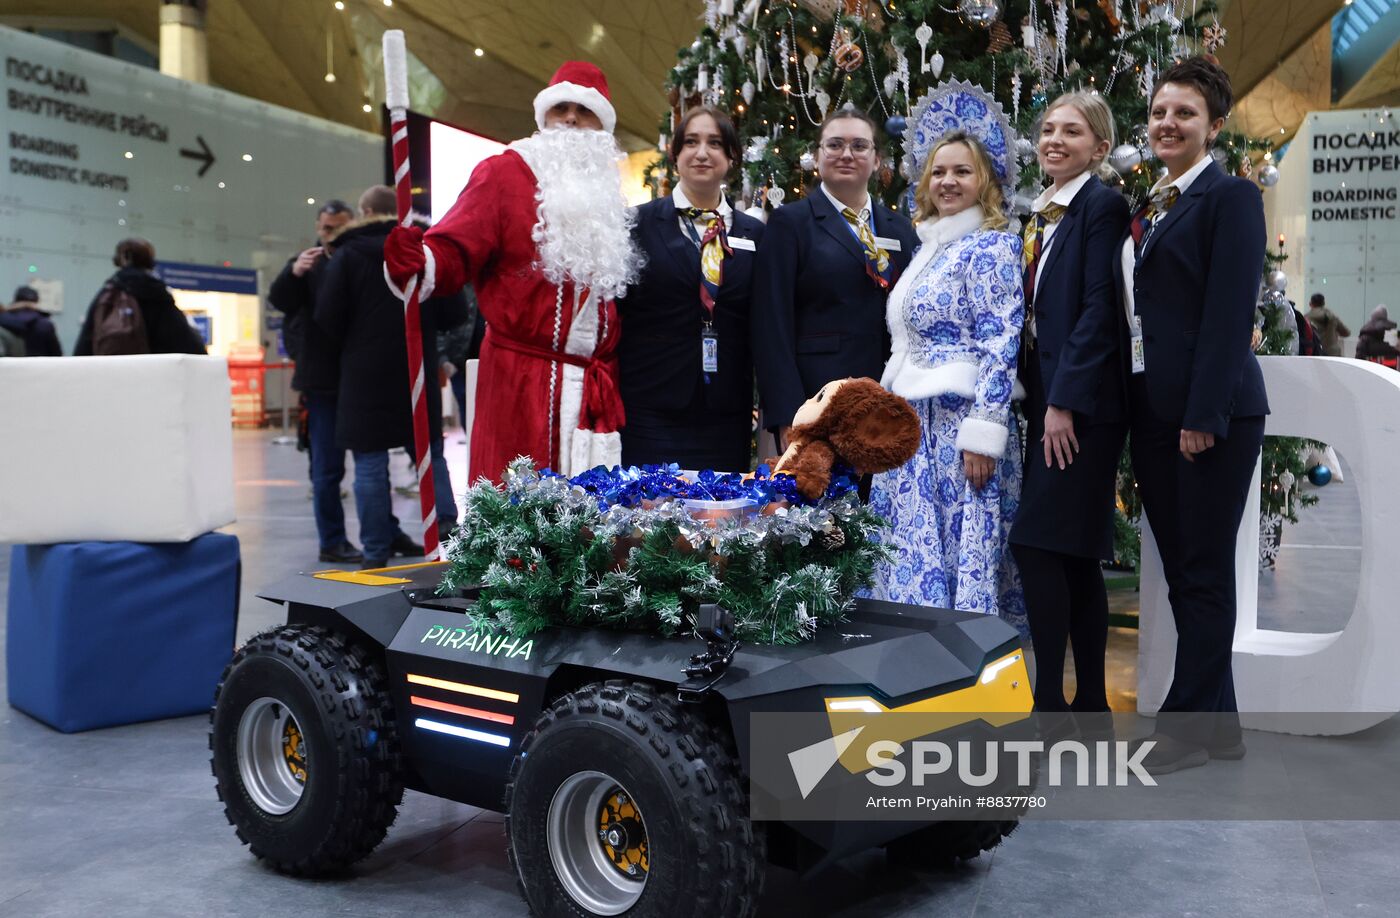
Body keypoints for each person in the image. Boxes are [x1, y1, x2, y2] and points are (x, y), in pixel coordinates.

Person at [1118, 57, 1269, 773]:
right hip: (1157, 413)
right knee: (1186, 573)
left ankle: (1181, 731)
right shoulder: (1156, 202)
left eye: (1184, 113)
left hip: (1212, 414)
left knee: (1203, 570)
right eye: (1158, 113)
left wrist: (1204, 412)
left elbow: (1228, 311)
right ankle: (1223, 728)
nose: (1167, 124)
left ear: (1213, 125)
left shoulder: (1230, 197)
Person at [384, 61, 641, 482]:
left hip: (593, 393)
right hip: (519, 384)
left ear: (604, 128)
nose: (572, 118)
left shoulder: (608, 198)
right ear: (543, 117)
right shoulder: (503, 173)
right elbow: (455, 246)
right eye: (561, 108)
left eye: (585, 110)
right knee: (516, 520)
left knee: (590, 526)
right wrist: (422, 261)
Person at [869, 127, 1026, 631]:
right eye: (939, 171)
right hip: (913, 429)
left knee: (963, 553)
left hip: (959, 430)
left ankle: (966, 681)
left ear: (985, 180)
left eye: (962, 171)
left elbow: (1001, 344)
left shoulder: (993, 247)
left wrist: (983, 431)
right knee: (911, 556)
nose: (948, 181)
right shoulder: (929, 247)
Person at [1008, 92, 1130, 721]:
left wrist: (1062, 403)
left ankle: (1051, 700)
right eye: (1048, 129)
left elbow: (1096, 313)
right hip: (1055, 405)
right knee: (1077, 553)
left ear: (1099, 148)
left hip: (1081, 410)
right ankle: (1089, 705)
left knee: (1035, 546)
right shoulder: (1043, 213)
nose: (1054, 139)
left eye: (1073, 132)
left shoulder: (1101, 206)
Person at [316, 185, 469, 569]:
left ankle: (374, 551)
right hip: (416, 369)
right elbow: (454, 312)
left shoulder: (348, 255)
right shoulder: (424, 252)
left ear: (365, 210)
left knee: (368, 463)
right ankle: (446, 527)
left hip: (363, 374)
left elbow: (327, 317)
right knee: (429, 452)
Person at [752, 108, 919, 451]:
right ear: (817, 157)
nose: (846, 154)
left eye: (859, 145)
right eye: (835, 145)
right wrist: (788, 414)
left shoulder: (901, 229)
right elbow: (771, 325)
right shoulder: (790, 223)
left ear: (876, 160)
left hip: (889, 404)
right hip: (818, 401)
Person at [619, 106, 765, 471]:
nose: (702, 153)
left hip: (726, 411)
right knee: (647, 522)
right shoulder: (637, 225)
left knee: (721, 522)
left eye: (715, 143)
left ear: (731, 157)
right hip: (651, 407)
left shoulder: (755, 234)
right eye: (691, 143)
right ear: (676, 155)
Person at [268, 200, 360, 564]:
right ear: (318, 227)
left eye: (339, 227)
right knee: (327, 467)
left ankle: (384, 530)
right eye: (326, 228)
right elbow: (282, 303)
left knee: (372, 464)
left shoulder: (360, 261)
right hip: (322, 381)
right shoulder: (305, 263)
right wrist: (294, 272)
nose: (332, 234)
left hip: (358, 376)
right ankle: (333, 541)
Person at [74, 239, 206, 355]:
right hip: (157, 373)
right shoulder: (158, 294)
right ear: (150, 260)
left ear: (120, 259)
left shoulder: (109, 293)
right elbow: (187, 342)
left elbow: (86, 341)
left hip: (115, 374)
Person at [1, 286, 62, 356]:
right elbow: (56, 354)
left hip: (11, 365)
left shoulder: (4, 321)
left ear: (15, 301)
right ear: (36, 301)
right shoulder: (45, 324)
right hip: (40, 365)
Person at [1306, 293, 1351, 357]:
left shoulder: (1306, 318)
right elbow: (1346, 333)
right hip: (1334, 354)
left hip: (1316, 354)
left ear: (1310, 304)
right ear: (1323, 303)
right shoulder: (1332, 316)